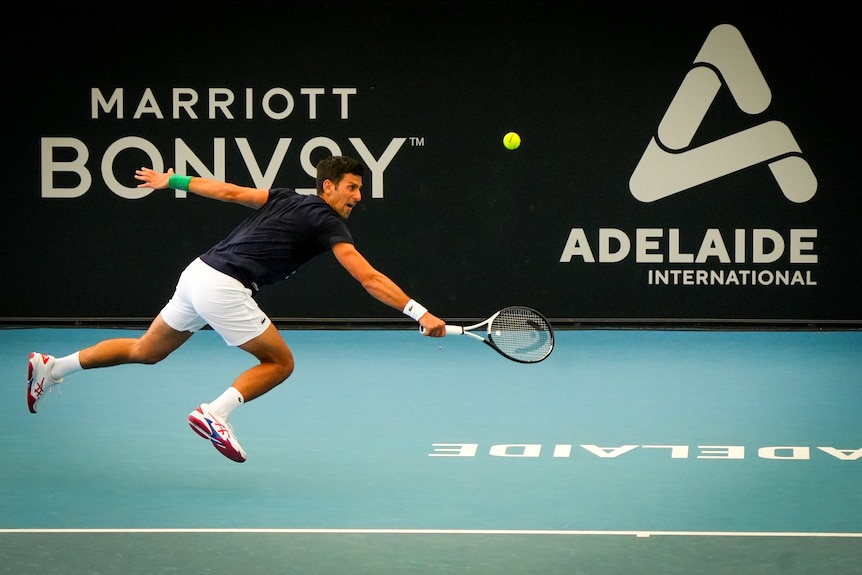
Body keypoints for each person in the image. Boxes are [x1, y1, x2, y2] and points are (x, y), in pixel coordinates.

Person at [26, 155, 446, 463]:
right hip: (225, 285)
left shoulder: (284, 197)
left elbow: (227, 192)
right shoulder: (328, 222)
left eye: (360, 188)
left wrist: (171, 178)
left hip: (197, 273)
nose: (358, 196)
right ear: (328, 187)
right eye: (351, 187)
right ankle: (214, 413)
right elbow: (368, 277)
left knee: (147, 351)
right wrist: (419, 313)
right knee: (279, 362)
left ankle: (53, 367)